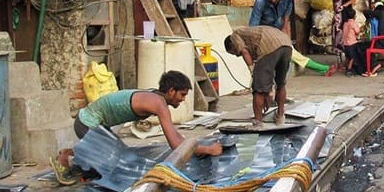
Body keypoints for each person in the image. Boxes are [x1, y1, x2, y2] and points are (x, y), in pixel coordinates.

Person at [72, 71, 223, 155]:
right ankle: (68, 160)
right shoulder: (158, 104)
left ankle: (74, 154)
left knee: (120, 153)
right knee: (111, 161)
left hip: (97, 124)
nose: (183, 99)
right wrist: (207, 150)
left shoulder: (156, 96)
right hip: (86, 124)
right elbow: (175, 144)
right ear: (171, 91)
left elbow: (175, 134)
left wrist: (194, 144)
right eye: (182, 94)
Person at [223, 26, 293, 126]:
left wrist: (253, 72)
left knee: (258, 89)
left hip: (268, 46)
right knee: (281, 84)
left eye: (234, 53)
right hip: (286, 44)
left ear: (232, 45)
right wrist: (268, 92)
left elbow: (244, 52)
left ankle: (258, 123)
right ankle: (280, 117)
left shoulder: (235, 35)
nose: (237, 55)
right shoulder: (250, 34)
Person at [340, 6, 365, 75]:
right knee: (353, 57)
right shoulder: (353, 23)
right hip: (352, 43)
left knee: (347, 56)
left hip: (345, 43)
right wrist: (361, 29)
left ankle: (347, 66)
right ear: (354, 16)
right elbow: (357, 31)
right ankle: (349, 69)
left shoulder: (345, 23)